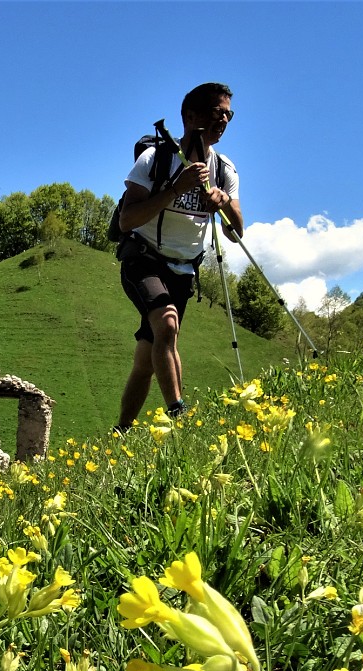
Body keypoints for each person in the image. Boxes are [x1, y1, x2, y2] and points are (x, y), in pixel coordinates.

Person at [113, 82, 244, 433]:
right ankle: (180, 417)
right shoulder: (156, 159)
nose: (225, 120)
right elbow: (127, 220)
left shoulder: (225, 170)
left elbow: (236, 233)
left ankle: (121, 432)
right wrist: (176, 188)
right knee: (167, 325)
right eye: (219, 112)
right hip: (143, 258)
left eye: (230, 114)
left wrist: (222, 205)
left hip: (184, 270)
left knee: (148, 357)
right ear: (191, 115)